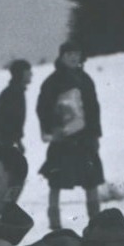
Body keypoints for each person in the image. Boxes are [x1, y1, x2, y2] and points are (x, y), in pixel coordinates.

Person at [36, 41, 104, 229]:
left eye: (77, 54)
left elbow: (93, 108)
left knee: (91, 180)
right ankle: (54, 223)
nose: (74, 57)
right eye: (69, 54)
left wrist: (95, 135)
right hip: (62, 140)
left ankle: (96, 222)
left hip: (85, 140)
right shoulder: (52, 82)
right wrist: (52, 129)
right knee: (56, 180)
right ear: (62, 57)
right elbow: (42, 108)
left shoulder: (86, 79)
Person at [0, 59, 32, 152]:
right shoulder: (12, 93)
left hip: (4, 142)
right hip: (0, 142)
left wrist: (18, 142)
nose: (31, 74)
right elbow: (0, 121)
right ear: (21, 74)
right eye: (28, 71)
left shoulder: (16, 92)